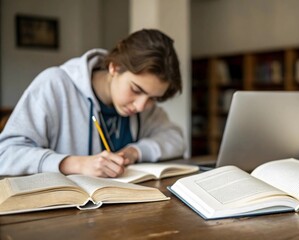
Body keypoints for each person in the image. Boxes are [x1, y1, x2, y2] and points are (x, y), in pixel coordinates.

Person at [0, 29, 185, 177]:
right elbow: (6, 154)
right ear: (114, 67)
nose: (140, 106)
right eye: (136, 90)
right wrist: (77, 164)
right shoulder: (55, 85)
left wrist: (135, 151)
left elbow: (176, 139)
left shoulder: (143, 106)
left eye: (153, 98)